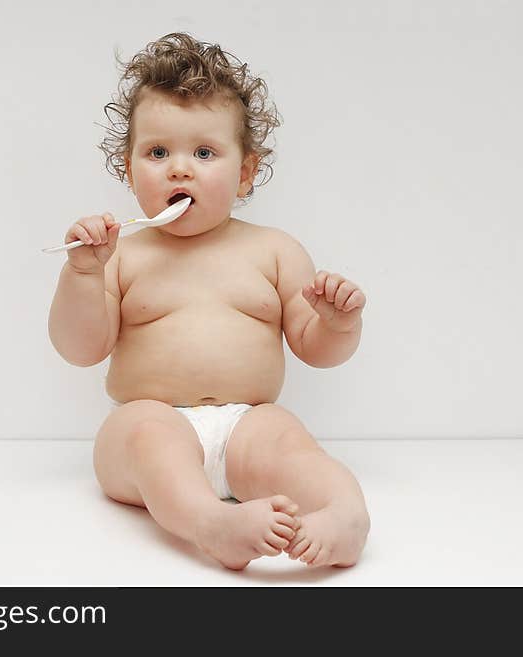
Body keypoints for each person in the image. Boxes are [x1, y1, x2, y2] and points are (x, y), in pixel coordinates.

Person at [48, 33, 370, 570]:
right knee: (148, 436)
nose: (179, 168)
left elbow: (318, 349)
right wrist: (83, 273)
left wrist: (337, 323)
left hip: (248, 422)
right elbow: (80, 348)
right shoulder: (123, 256)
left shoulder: (274, 251)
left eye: (203, 152)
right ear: (129, 169)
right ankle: (209, 523)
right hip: (148, 421)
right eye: (157, 152)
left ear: (245, 171)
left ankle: (345, 514)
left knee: (290, 444)